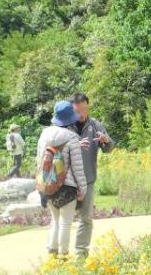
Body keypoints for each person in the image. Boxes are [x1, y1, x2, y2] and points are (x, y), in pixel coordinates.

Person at [38, 101, 88, 256]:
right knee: (65, 223)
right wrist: (83, 188)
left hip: (49, 185)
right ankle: (63, 256)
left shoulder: (44, 134)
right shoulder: (72, 138)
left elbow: (39, 160)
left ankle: (51, 253)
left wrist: (42, 187)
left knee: (55, 220)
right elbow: (77, 167)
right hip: (67, 186)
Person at [70, 92, 114, 255]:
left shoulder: (95, 125)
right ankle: (60, 252)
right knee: (64, 219)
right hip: (68, 181)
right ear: (72, 109)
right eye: (78, 110)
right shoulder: (65, 126)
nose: (82, 114)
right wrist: (76, 145)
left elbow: (109, 148)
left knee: (86, 218)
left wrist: (106, 141)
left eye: (85, 109)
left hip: (88, 179)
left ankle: (81, 252)